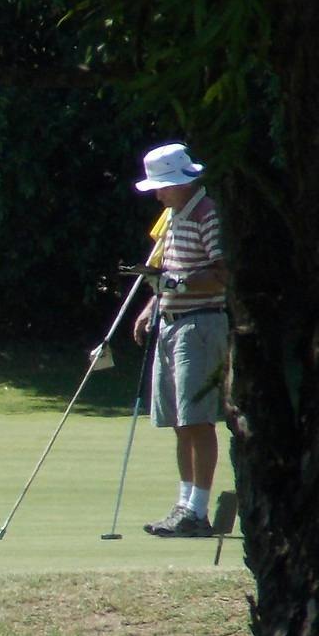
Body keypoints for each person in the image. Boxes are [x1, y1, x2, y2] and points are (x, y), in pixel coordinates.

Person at [129, 141, 228, 538]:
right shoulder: (172, 217)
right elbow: (167, 272)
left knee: (197, 419)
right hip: (171, 322)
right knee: (178, 421)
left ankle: (198, 512)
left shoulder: (208, 213)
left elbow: (222, 271)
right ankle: (184, 505)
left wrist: (179, 283)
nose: (157, 193)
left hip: (201, 323)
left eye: (162, 186)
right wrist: (152, 306)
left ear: (182, 182)